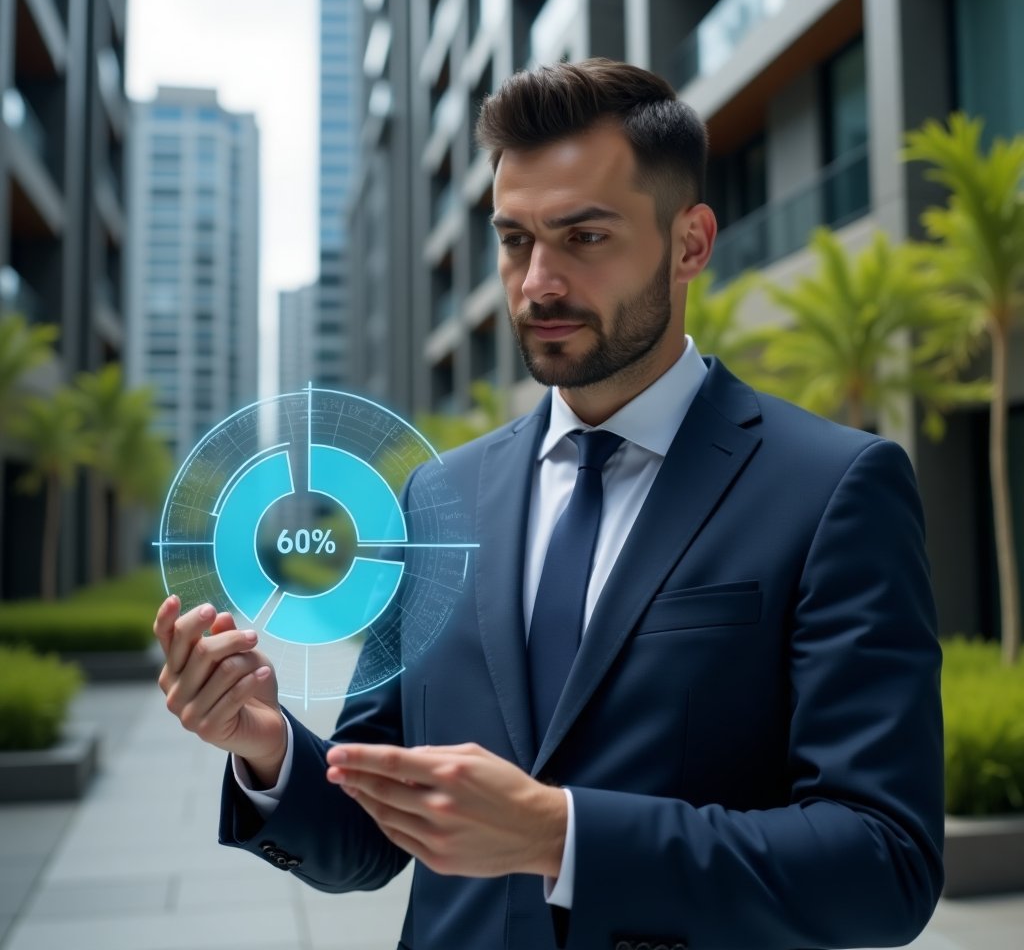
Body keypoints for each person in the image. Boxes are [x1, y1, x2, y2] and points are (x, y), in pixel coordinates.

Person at [154, 59, 944, 950]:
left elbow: (886, 863)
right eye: (517, 239)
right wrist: (267, 747)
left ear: (690, 243)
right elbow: (372, 838)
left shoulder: (835, 486)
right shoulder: (437, 496)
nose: (537, 284)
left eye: (585, 237)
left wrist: (560, 836)